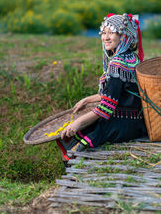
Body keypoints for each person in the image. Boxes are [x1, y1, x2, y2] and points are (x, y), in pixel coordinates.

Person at [57, 13, 147, 164]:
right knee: (84, 124)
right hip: (136, 122)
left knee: (76, 134)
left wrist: (78, 123)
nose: (105, 37)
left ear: (123, 36)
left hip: (119, 124)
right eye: (103, 33)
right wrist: (87, 100)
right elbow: (118, 94)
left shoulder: (117, 64)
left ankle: (74, 174)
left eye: (111, 33)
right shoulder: (132, 58)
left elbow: (106, 107)